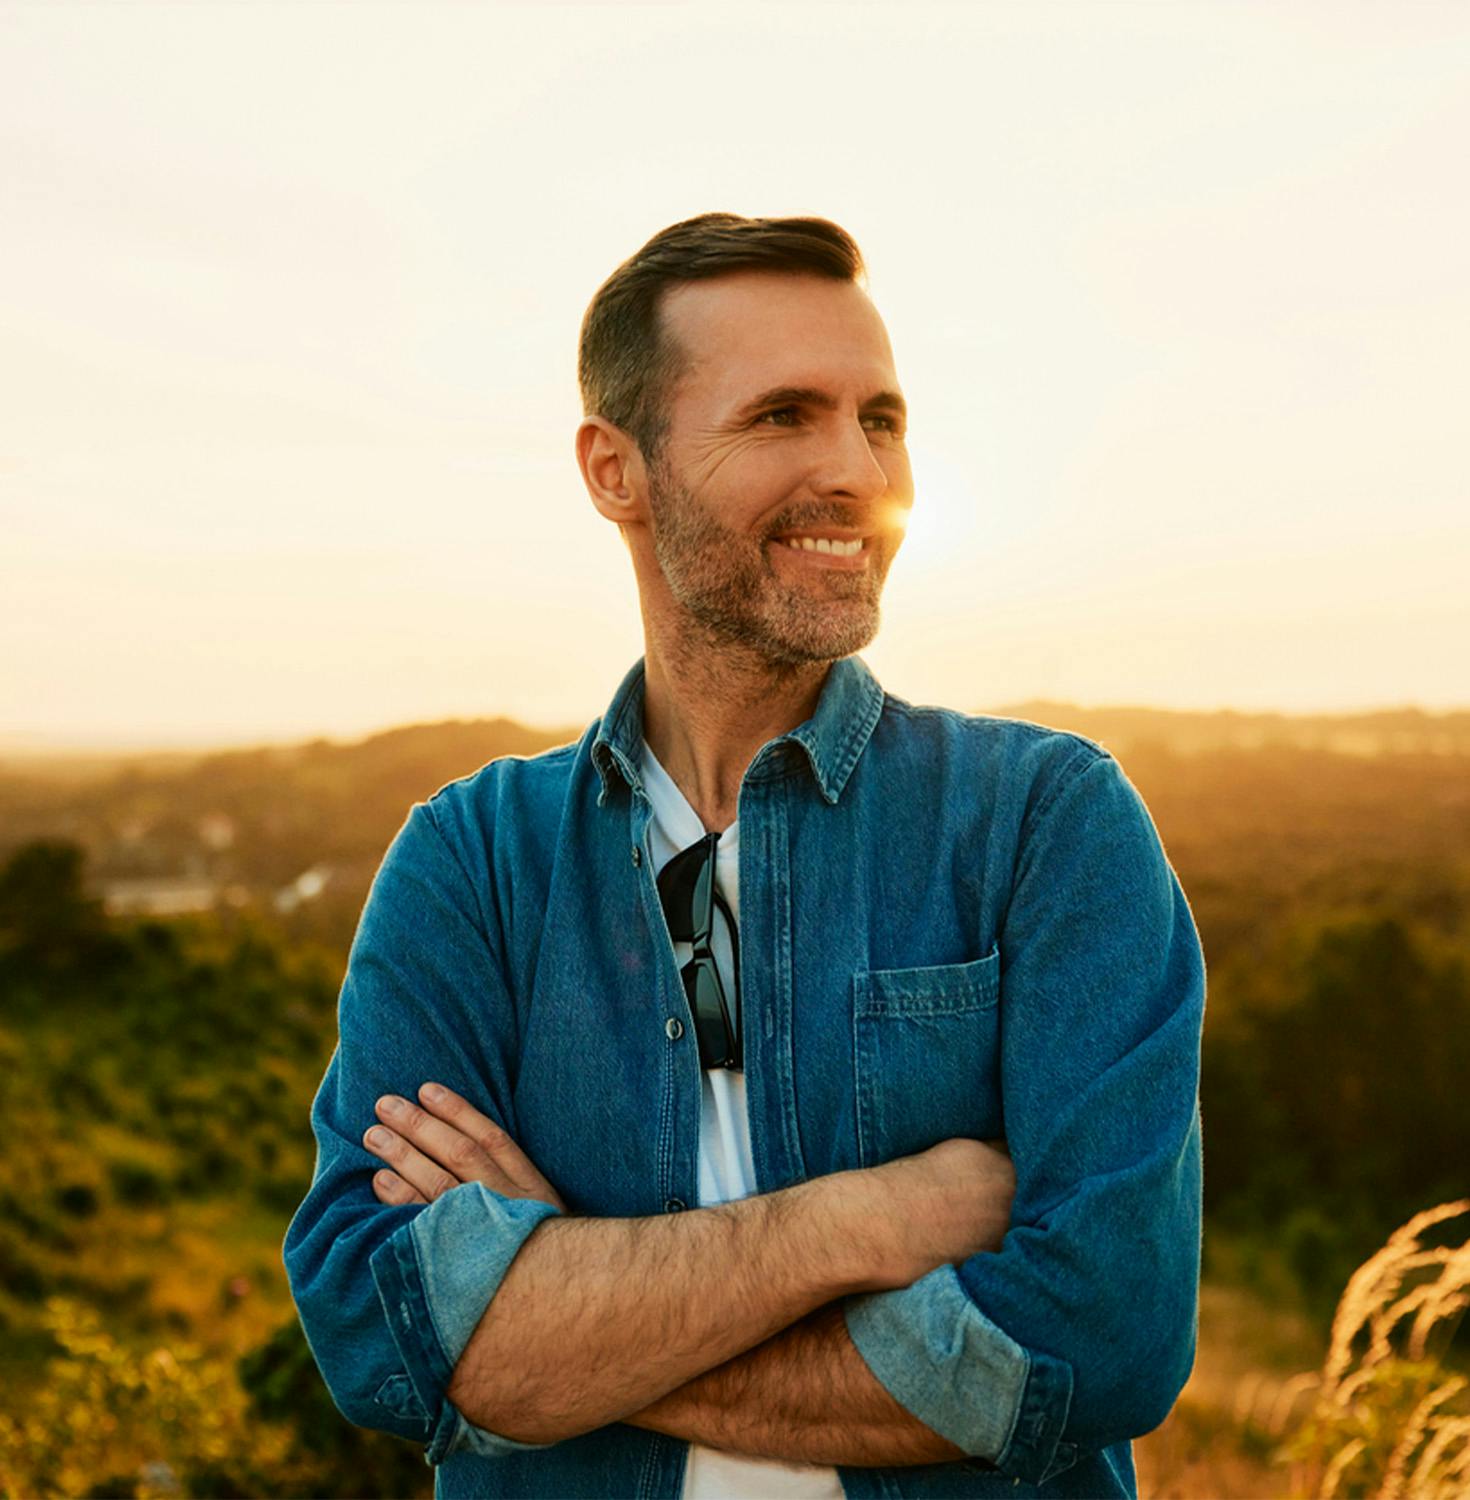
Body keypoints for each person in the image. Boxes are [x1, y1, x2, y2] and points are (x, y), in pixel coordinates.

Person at [283, 213, 1205, 1499]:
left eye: (880, 420)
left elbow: (1099, 1337)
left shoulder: (1046, 823)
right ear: (617, 469)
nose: (859, 472)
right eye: (782, 416)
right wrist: (859, 1223)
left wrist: (548, 1327)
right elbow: (378, 1330)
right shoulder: (472, 863)